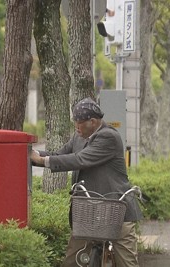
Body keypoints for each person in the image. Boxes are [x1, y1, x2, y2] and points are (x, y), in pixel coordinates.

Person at [31, 97, 143, 267]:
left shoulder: (108, 136)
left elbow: (79, 160)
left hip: (116, 210)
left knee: (126, 262)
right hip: (88, 211)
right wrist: (30, 153)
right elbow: (59, 154)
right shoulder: (79, 137)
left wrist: (41, 161)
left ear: (92, 121)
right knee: (71, 261)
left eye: (79, 123)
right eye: (75, 122)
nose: (76, 127)